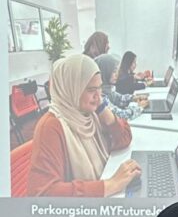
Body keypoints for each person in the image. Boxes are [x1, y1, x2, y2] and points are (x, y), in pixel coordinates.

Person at [27, 53, 141, 197]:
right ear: (71, 89)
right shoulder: (50, 127)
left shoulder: (89, 113)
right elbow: (44, 194)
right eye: (91, 90)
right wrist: (109, 185)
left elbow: (124, 139)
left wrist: (103, 110)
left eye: (99, 88)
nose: (98, 96)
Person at [94, 52, 147, 121]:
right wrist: (139, 107)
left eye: (117, 70)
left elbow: (119, 98)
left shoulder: (107, 90)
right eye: (114, 71)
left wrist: (134, 98)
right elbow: (121, 116)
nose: (117, 74)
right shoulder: (100, 96)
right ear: (104, 72)